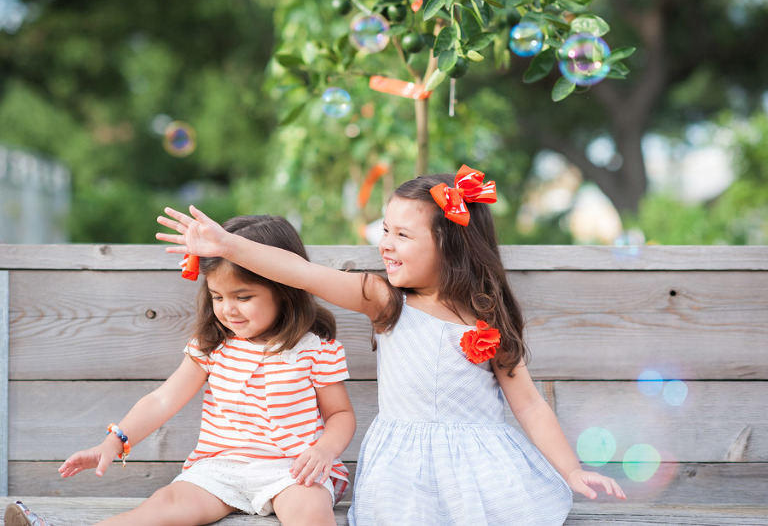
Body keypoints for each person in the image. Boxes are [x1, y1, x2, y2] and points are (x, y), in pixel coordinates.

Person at [156, 165, 626, 526]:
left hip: (482, 466)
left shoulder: (488, 316)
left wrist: (570, 471)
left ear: (452, 245)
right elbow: (301, 273)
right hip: (407, 472)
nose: (386, 244)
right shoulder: (385, 300)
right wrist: (228, 246)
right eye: (385, 230)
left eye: (403, 234)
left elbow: (529, 407)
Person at [7, 215, 355, 526]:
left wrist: (324, 451)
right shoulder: (212, 346)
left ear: (285, 290)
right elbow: (162, 400)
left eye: (243, 297)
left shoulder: (314, 349)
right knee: (164, 505)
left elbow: (340, 413)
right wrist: (114, 442)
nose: (228, 310)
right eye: (218, 297)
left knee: (310, 513)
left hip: (293, 471)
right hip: (221, 470)